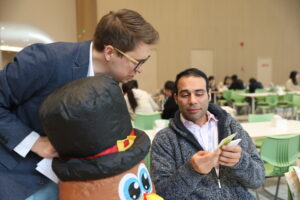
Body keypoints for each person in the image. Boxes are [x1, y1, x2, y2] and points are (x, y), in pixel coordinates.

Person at [0, 9, 159, 199]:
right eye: (137, 62)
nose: (140, 70)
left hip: (69, 183)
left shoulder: (112, 86)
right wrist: (33, 141)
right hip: (18, 179)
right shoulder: (47, 60)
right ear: (109, 52)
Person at [151, 68, 265, 199]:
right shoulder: (165, 139)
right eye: (185, 95)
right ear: (176, 98)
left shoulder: (231, 126)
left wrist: (240, 162)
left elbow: (258, 180)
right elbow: (162, 195)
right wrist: (191, 170)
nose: (193, 100)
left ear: (209, 95)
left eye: (199, 94)